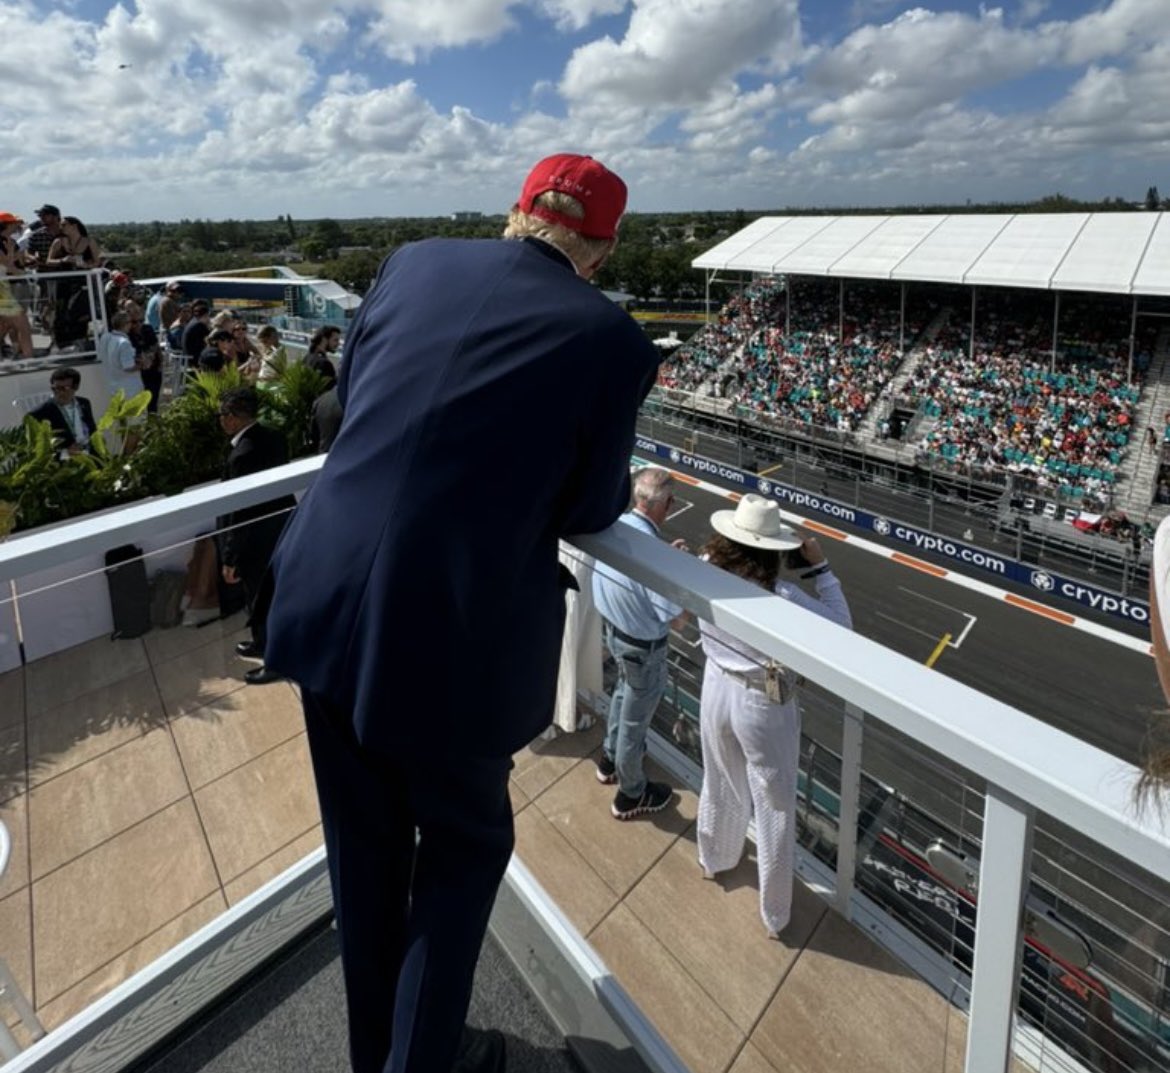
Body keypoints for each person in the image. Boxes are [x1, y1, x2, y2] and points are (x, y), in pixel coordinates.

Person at [263, 153, 658, 1073]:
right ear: (601, 246)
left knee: (363, 861)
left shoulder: (412, 260)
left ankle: (382, 1055)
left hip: (321, 597)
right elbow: (591, 509)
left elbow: (354, 403)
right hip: (447, 636)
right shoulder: (611, 341)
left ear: (517, 211)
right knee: (462, 850)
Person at [695, 494, 852, 939]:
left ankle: (715, 858)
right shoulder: (781, 594)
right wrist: (820, 568)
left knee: (720, 779)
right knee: (775, 804)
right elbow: (842, 629)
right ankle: (774, 912)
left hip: (714, 683)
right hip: (761, 700)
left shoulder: (707, 560)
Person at [592, 466, 688, 819]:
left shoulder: (616, 526)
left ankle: (609, 759)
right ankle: (631, 794)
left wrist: (667, 559)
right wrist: (680, 569)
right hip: (642, 648)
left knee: (622, 695)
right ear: (667, 504)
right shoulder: (654, 555)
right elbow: (677, 618)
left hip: (615, 635)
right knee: (635, 721)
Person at [216, 387, 297, 687]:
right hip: (279, 529)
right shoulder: (273, 436)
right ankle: (261, 643)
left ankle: (275, 660)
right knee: (269, 596)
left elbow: (242, 513)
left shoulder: (242, 455)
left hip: (256, 541)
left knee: (261, 598)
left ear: (235, 418)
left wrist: (230, 557)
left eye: (222, 415)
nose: (220, 421)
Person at [28, 367, 97, 454]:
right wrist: (66, 453)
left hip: (89, 453)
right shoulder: (39, 413)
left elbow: (93, 432)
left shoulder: (84, 403)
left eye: (63, 388)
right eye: (55, 388)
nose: (59, 392)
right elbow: (36, 450)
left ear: (75, 387)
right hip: (65, 461)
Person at [304, 324, 340, 389]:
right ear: (324, 340)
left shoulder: (307, 357)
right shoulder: (324, 364)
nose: (338, 344)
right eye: (335, 340)